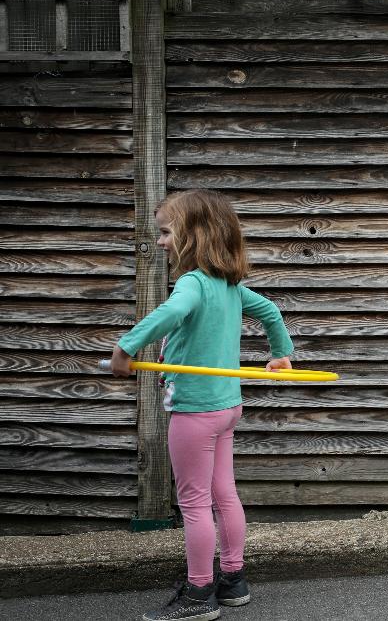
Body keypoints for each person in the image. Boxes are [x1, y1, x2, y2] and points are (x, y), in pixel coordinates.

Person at [110, 190, 294, 621]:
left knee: (193, 504)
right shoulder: (228, 285)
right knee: (223, 495)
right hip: (226, 408)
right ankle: (233, 580)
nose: (159, 243)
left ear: (193, 235)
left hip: (194, 411)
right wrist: (281, 352)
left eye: (165, 232)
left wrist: (126, 347)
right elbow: (269, 310)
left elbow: (171, 313)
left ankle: (198, 594)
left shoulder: (193, 284)